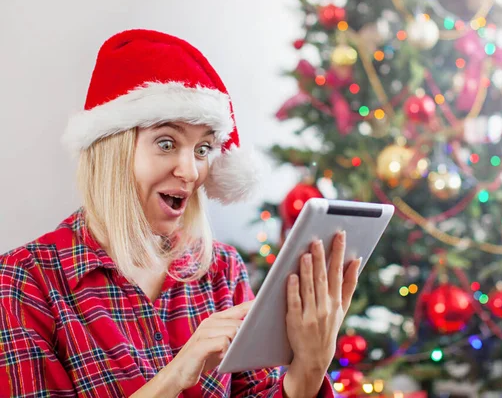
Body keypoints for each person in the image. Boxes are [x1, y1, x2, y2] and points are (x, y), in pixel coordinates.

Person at [0, 29, 362, 397]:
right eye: (167, 142)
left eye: (203, 149)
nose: (190, 172)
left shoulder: (222, 270)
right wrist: (177, 374)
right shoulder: (27, 281)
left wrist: (309, 369)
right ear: (113, 148)